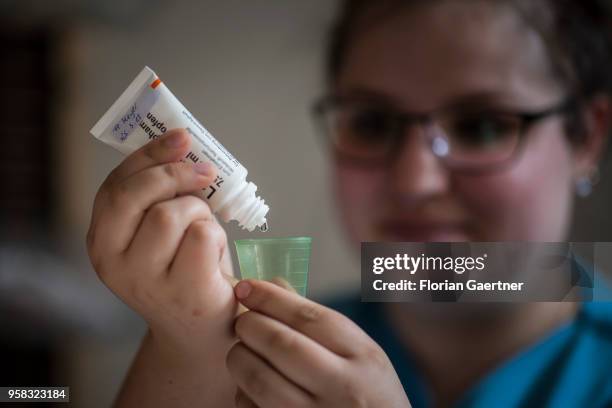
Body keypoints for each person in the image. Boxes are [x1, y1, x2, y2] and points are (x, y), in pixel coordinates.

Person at [86, 0, 612, 406]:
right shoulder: (267, 347)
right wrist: (181, 349)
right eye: (372, 123)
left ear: (587, 137)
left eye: (481, 126)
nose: (414, 180)